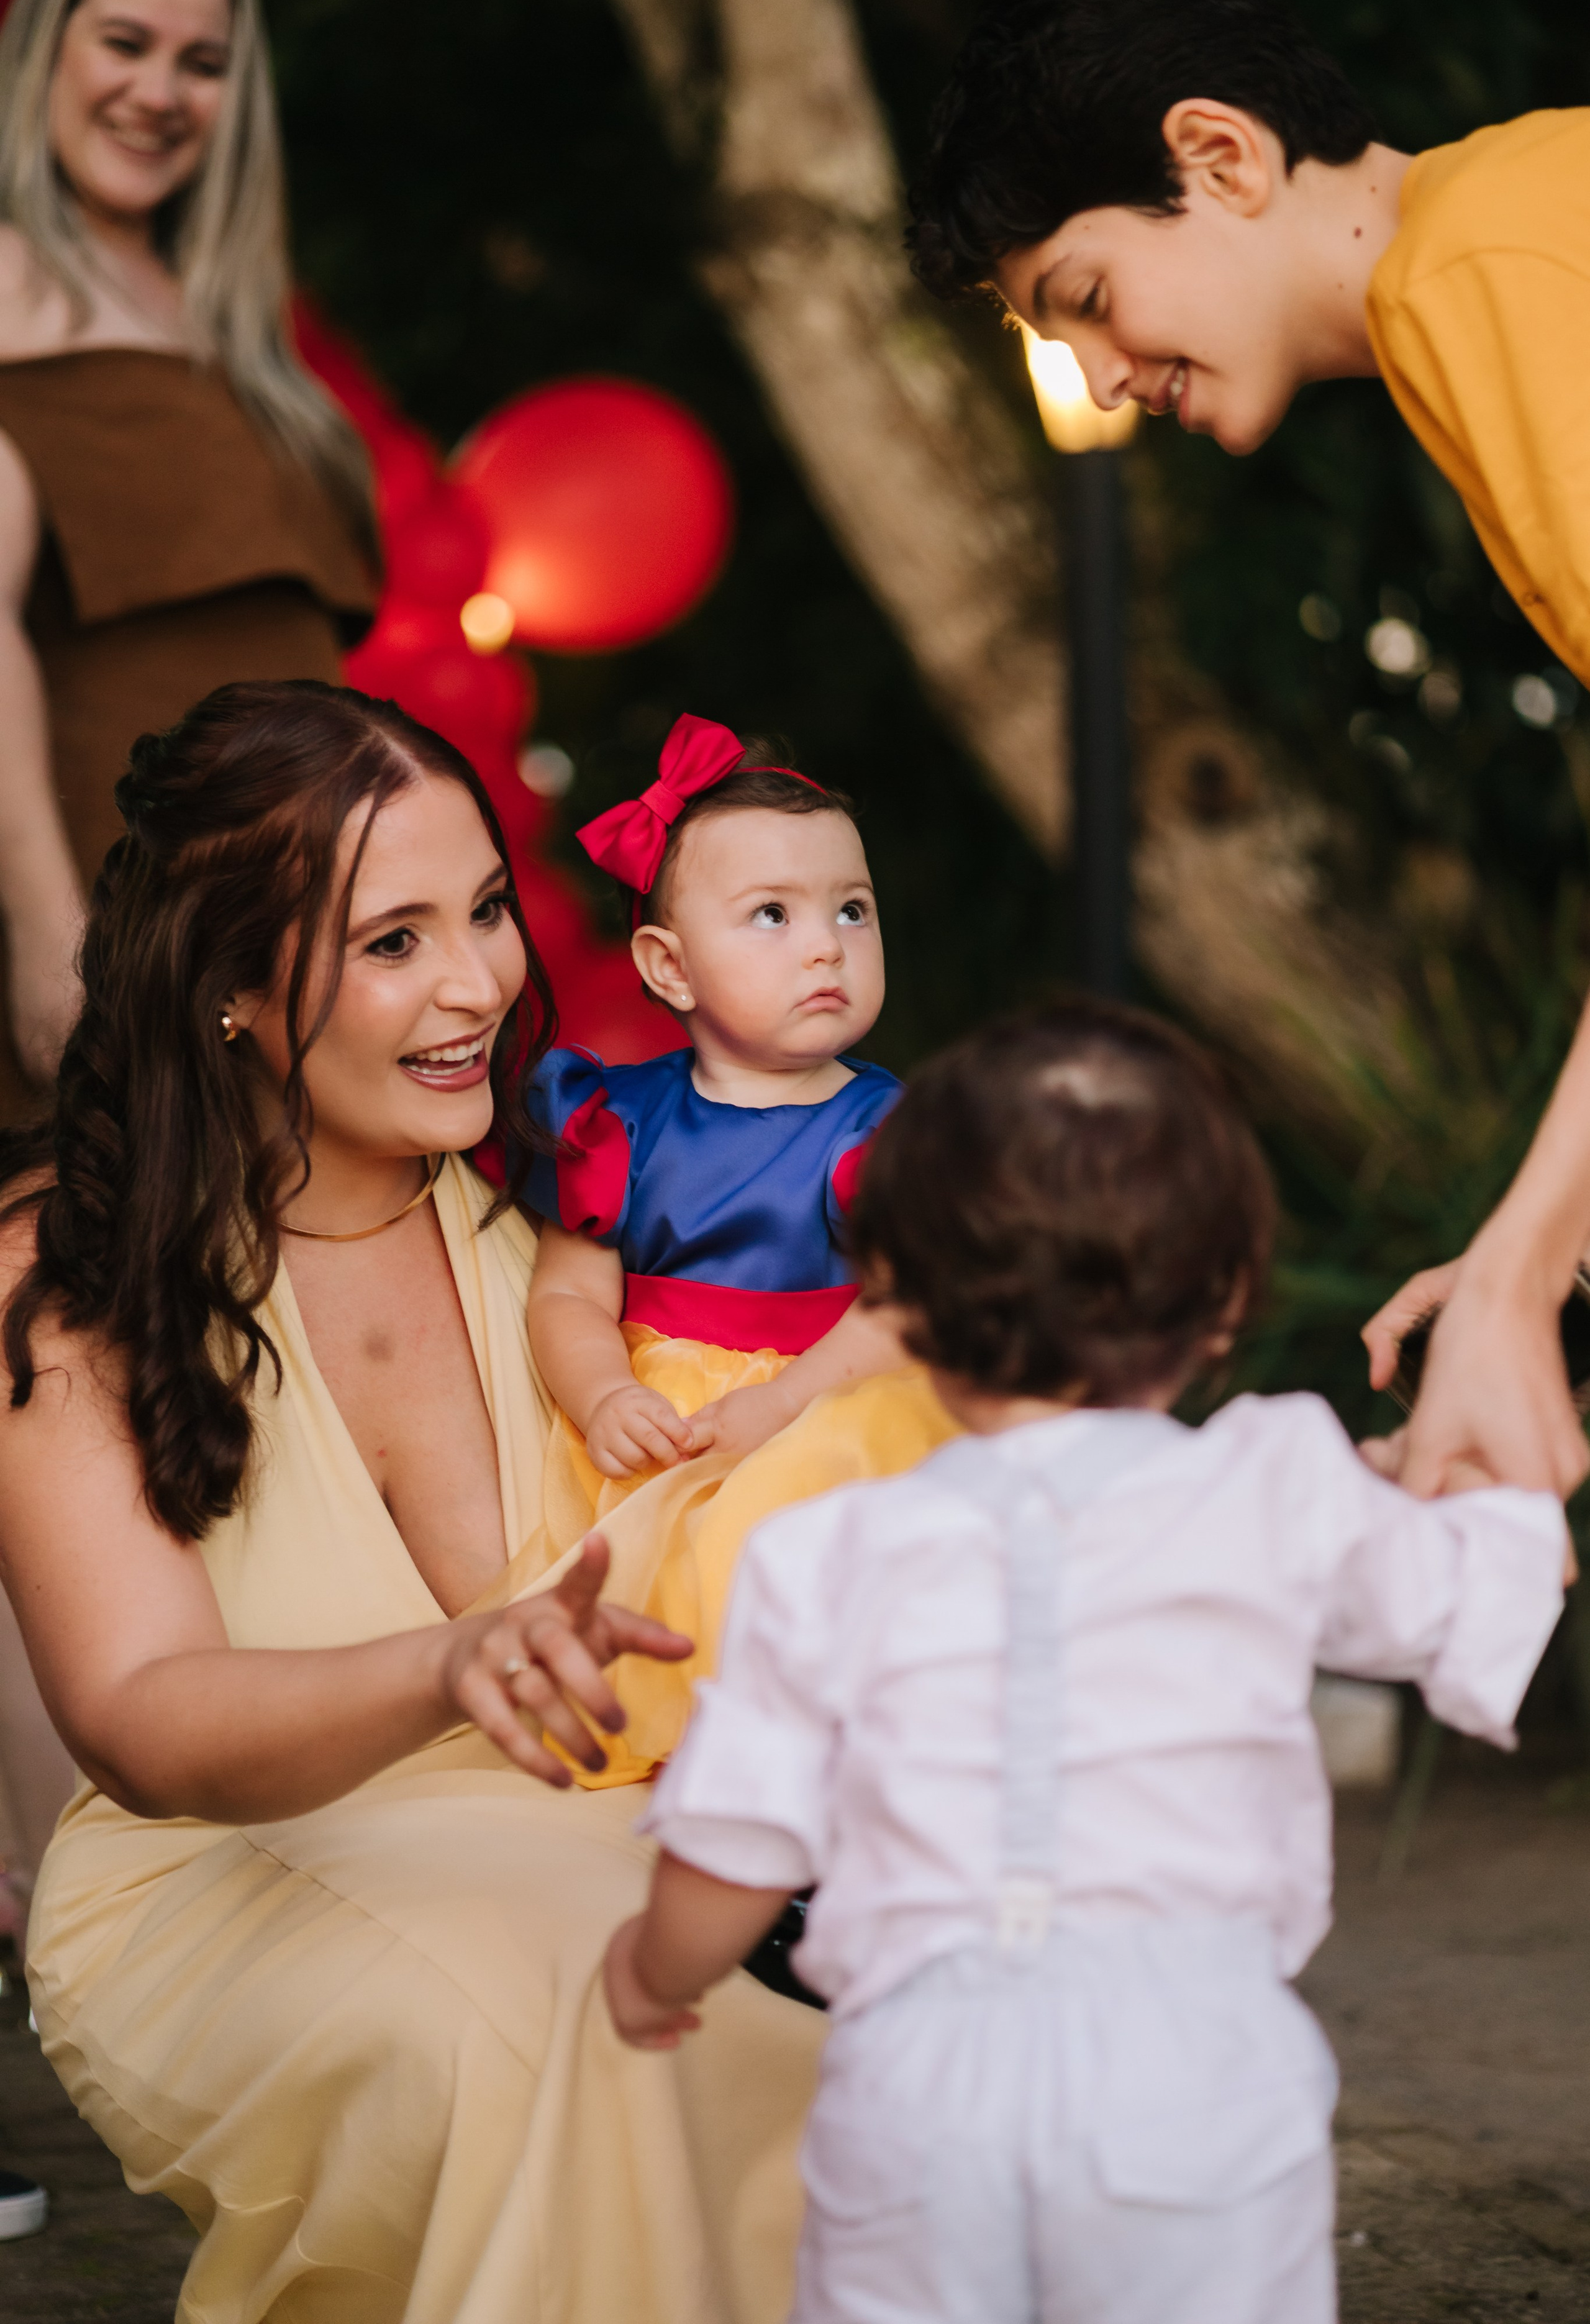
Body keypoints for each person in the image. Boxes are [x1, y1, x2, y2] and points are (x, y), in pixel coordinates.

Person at [2, 679, 824, 2323]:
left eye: (488, 913)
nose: (476, 986)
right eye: (393, 943)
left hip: (616, 1823)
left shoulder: (581, 1215)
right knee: (570, 2017)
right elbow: (144, 1717)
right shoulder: (59, 1275)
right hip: (222, 1872)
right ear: (233, 988)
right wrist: (450, 1665)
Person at [603, 998, 1571, 2324]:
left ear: (899, 1308)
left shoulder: (827, 1552)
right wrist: (1485, 1457)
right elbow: (1481, 1590)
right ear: (1227, 1296)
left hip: (915, 2083)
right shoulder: (1274, 1484)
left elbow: (735, 1843)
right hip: (1199, 2076)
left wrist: (651, 1972)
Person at [906, 0, 1590, 1505]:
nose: (1096, 370)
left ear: (1218, 155)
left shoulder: (1471, 267)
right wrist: (1526, 1251)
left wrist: (1518, 1272)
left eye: (1080, 299)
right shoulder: (1494, 241)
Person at [0, 0, 376, 1963]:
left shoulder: (224, 327)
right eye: (120, 41)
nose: (158, 88)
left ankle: (171, 1962)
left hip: (268, 975)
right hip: (91, 947)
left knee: (201, 1403)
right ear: (42, 48)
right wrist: (53, 935)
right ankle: (88, 1970)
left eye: (203, 59)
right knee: (60, 1417)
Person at [515, 715, 958, 1785]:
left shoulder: (886, 1132)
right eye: (772, 915)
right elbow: (568, 1299)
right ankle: (697, 1779)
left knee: (793, 1531)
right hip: (668, 1412)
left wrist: (785, 1399)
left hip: (841, 1393)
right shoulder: (615, 1123)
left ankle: (818, 1782)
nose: (826, 946)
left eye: (853, 911)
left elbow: (907, 1310)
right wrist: (604, 1394)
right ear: (669, 968)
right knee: (632, 1572)